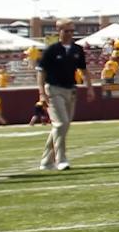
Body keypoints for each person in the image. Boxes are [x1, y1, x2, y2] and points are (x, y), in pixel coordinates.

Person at [36, 20, 89, 172]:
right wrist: (41, 93)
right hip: (53, 89)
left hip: (70, 89)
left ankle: (46, 161)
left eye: (72, 31)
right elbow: (41, 71)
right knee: (61, 123)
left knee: (62, 126)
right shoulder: (51, 50)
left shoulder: (77, 49)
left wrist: (90, 87)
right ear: (58, 31)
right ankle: (61, 159)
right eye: (67, 31)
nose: (70, 34)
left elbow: (83, 70)